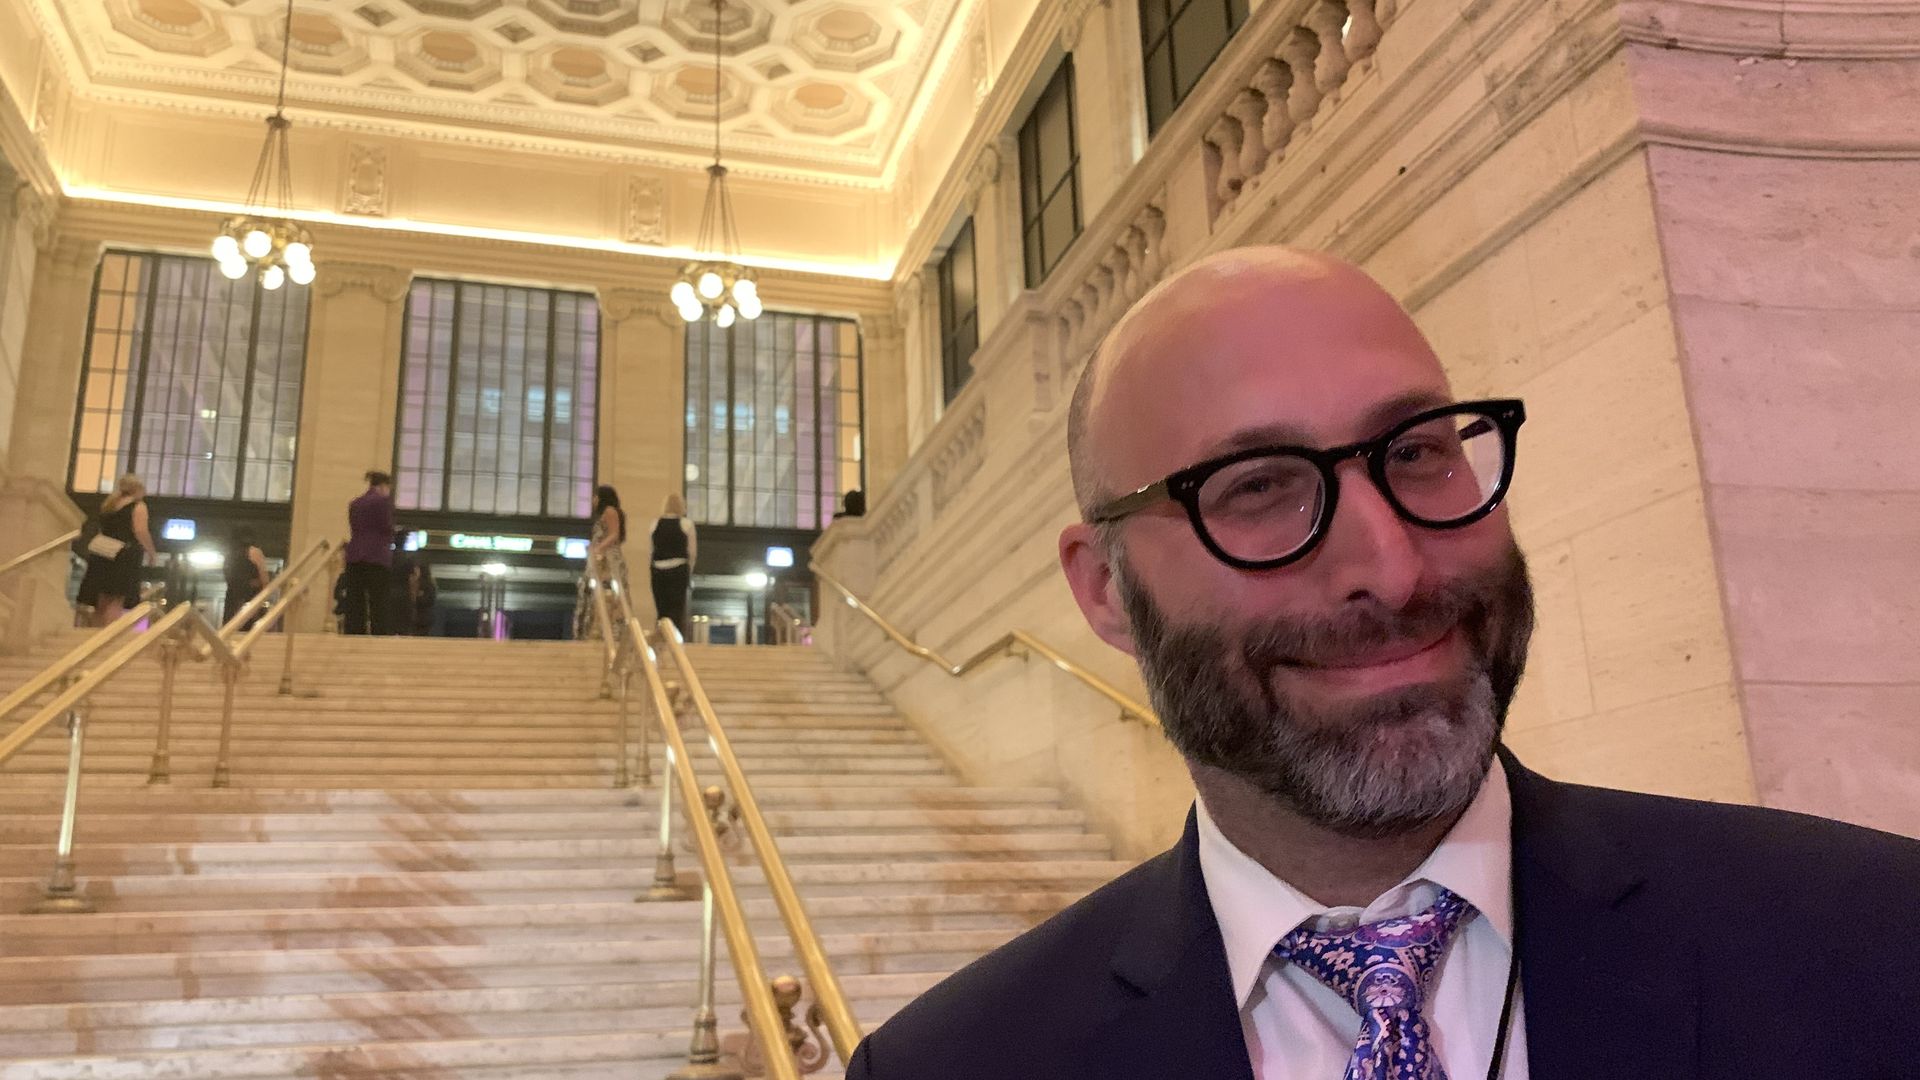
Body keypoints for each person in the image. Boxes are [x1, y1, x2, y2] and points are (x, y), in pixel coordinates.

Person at [845, 248, 1920, 1080]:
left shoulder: (1872, 944)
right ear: (1104, 590)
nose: (1394, 569)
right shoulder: (955, 1064)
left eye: (1417, 452)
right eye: (1258, 486)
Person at [76, 473, 156, 626]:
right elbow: (140, 531)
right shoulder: (138, 506)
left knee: (102, 598)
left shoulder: (109, 506)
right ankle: (110, 632)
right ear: (138, 489)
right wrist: (151, 552)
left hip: (102, 552)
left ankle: (96, 631)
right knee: (117, 596)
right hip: (124, 554)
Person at [573, 485, 632, 643]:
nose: (593, 500)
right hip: (601, 558)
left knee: (607, 595)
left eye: (595, 496)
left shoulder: (610, 511)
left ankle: (606, 632)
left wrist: (598, 548)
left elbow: (614, 534)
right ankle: (597, 630)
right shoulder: (608, 513)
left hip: (607, 560)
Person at [341, 470, 394, 635]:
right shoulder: (382, 502)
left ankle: (355, 631)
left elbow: (354, 529)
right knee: (378, 599)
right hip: (376, 556)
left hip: (355, 555)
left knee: (355, 599)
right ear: (383, 485)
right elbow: (386, 526)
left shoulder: (355, 503)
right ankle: (379, 632)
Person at [649, 492, 697, 636]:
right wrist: (690, 571)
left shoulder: (654, 524)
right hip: (678, 568)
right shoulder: (686, 524)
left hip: (658, 568)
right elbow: (692, 552)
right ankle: (674, 637)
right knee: (676, 607)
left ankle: (661, 635)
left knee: (662, 608)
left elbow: (651, 550)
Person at [221, 531, 270, 631]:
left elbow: (229, 578)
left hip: (233, 598)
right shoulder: (254, 552)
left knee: (231, 628)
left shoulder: (229, 556)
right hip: (251, 597)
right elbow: (265, 580)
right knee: (250, 628)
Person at [409, 561, 438, 637]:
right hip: (422, 617)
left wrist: (417, 597)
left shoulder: (427, 585)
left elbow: (428, 600)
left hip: (423, 617)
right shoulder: (418, 584)